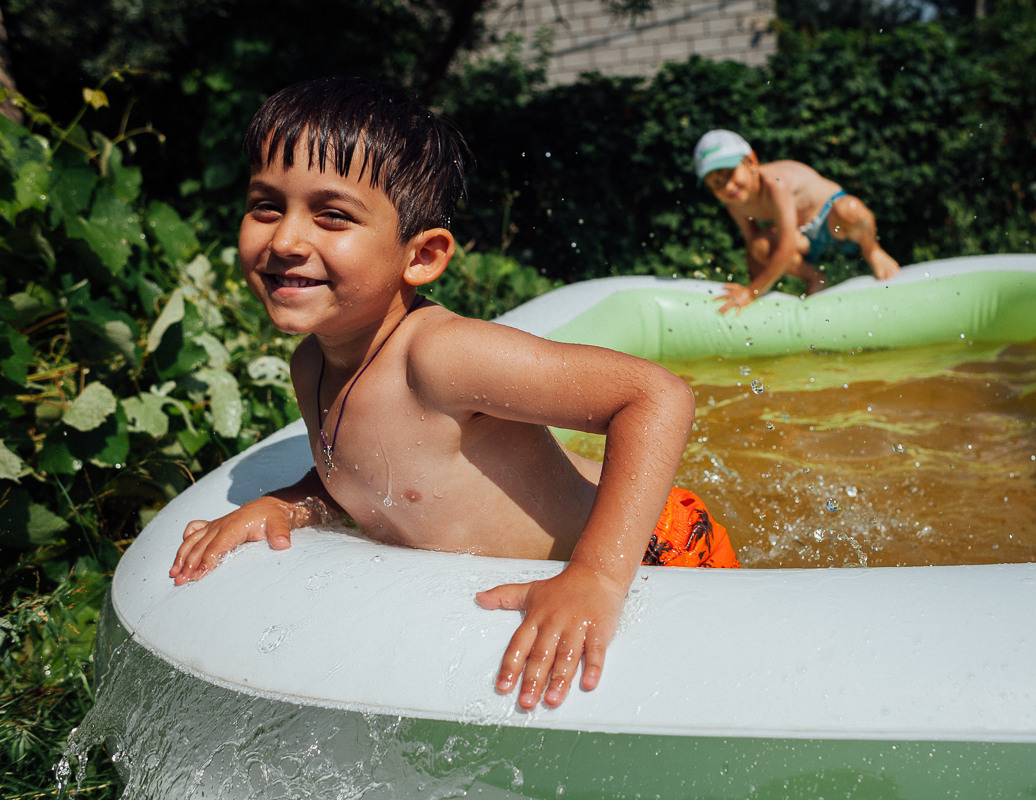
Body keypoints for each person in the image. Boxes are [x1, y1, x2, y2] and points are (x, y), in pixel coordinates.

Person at [168, 77, 740, 712]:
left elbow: (655, 397)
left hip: (664, 551)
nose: (283, 241)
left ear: (422, 257)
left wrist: (597, 577)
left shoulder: (439, 358)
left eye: (332, 215)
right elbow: (364, 475)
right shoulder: (314, 364)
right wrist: (293, 502)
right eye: (266, 205)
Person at [693, 129, 901, 314]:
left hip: (832, 220)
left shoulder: (776, 184)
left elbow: (786, 246)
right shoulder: (735, 205)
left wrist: (751, 293)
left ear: (751, 161)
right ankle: (815, 278)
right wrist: (751, 288)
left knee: (851, 209)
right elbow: (752, 246)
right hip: (802, 238)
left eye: (730, 174)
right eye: (717, 183)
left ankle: (872, 249)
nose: (728, 187)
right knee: (760, 247)